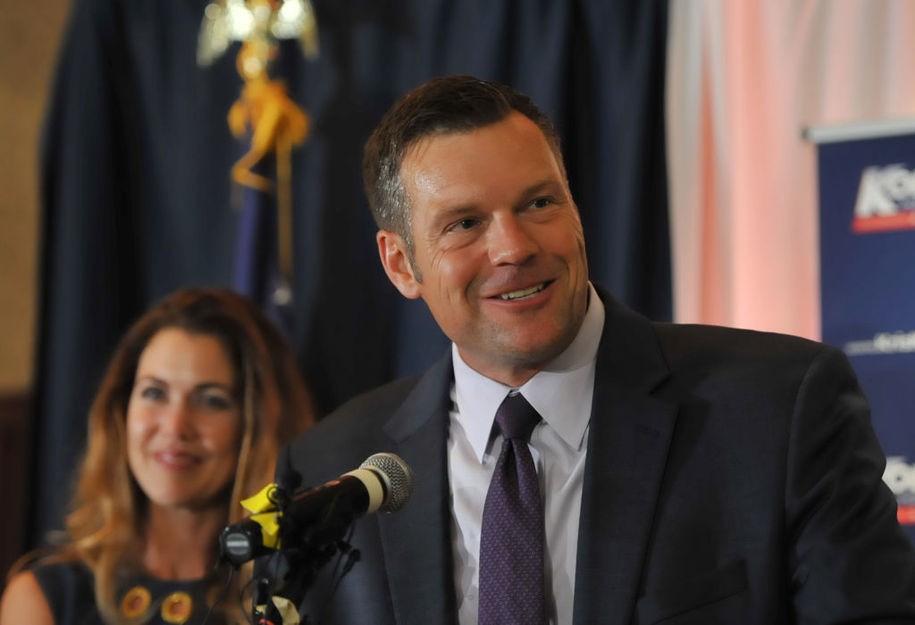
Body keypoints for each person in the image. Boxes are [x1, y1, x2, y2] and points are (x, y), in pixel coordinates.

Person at [272, 75, 915, 624]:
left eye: (539, 202)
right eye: (465, 223)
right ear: (400, 264)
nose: (514, 247)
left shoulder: (781, 409)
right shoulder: (330, 466)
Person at [0, 288, 316, 625]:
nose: (175, 426)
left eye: (211, 400)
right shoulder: (43, 597)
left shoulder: (301, 593)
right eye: (154, 392)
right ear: (120, 412)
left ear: (257, 426)